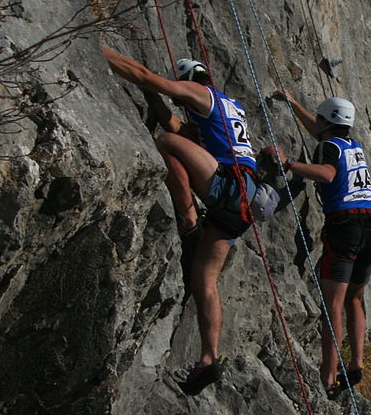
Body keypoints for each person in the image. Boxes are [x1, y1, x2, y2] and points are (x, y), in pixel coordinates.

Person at [103, 47, 261, 394]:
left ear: (188, 80)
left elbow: (149, 81)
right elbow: (176, 124)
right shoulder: (225, 110)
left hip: (230, 185)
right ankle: (208, 358)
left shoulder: (200, 93)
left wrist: (99, 51)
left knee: (164, 143)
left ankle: (188, 214)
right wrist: (152, 95)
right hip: (243, 204)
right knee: (204, 280)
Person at [266, 89, 371, 397]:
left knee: (333, 304)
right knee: (354, 300)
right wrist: (292, 104)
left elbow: (327, 174)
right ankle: (356, 363)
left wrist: (288, 163)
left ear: (325, 121)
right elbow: (320, 131)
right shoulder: (351, 145)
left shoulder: (328, 147)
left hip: (345, 227)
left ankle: (329, 375)